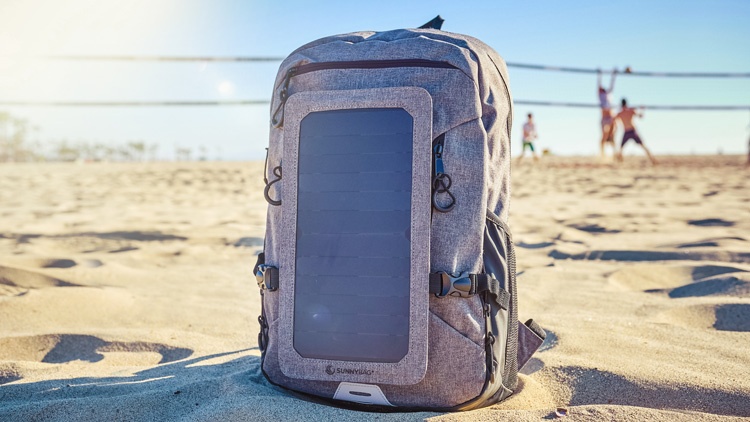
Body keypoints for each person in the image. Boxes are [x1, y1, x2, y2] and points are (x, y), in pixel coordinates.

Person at [611, 98, 657, 165]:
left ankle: (652, 159)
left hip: (632, 131)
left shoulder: (628, 111)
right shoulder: (624, 112)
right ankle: (620, 160)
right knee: (621, 148)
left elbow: (640, 116)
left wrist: (642, 109)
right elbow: (641, 116)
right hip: (627, 132)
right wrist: (642, 110)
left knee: (642, 146)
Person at [598, 70, 617, 158]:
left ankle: (615, 153)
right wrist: (599, 74)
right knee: (604, 136)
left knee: (612, 135)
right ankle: (603, 154)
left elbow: (612, 84)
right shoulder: (600, 95)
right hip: (604, 118)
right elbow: (599, 84)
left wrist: (614, 74)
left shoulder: (609, 94)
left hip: (610, 117)